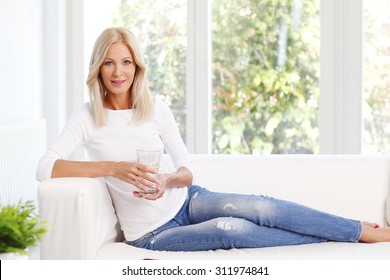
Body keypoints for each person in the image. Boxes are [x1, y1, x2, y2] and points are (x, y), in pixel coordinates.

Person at [36, 27, 390, 251]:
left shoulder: (156, 108)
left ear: (137, 67)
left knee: (261, 207)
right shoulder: (87, 117)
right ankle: (339, 235)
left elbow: (188, 168)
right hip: (151, 232)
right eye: (109, 63)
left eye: (126, 62)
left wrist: (167, 179)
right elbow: (45, 167)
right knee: (231, 230)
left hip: (187, 200)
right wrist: (113, 168)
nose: (118, 72)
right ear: (98, 67)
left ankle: (356, 229)